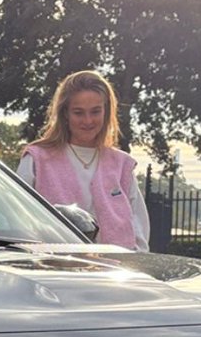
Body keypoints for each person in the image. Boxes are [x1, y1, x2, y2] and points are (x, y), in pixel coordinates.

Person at [17, 70, 150, 251]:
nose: (88, 121)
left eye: (95, 111)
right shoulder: (37, 159)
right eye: (78, 112)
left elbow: (139, 228)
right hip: (55, 269)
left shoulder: (122, 165)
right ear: (65, 114)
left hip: (114, 272)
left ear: (106, 111)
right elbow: (18, 217)